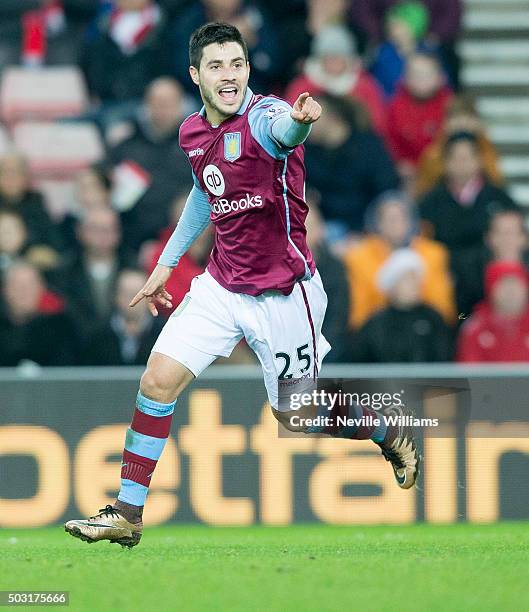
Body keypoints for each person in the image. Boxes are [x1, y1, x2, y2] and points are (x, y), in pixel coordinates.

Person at [65, 22, 419, 548]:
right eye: (216, 66)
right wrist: (167, 262)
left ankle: (385, 430)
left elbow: (286, 133)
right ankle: (127, 513)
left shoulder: (268, 117)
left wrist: (301, 122)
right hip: (222, 285)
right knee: (156, 381)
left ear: (248, 69)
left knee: (296, 414)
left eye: (237, 64)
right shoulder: (191, 133)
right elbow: (205, 193)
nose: (228, 76)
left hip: (284, 292)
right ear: (196, 75)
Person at [419, 132, 518, 313]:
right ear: (446, 162)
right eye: (456, 157)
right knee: (459, 317)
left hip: (490, 279)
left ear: (479, 160)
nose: (462, 163)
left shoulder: (499, 198)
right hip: (448, 279)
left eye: (467, 157)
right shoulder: (430, 202)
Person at [344, 191, 455, 329]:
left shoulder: (434, 254)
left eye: (402, 217)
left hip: (424, 329)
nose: (396, 224)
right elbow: (358, 316)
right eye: (389, 219)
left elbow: (443, 308)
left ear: (412, 221)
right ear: (377, 223)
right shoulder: (358, 258)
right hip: (380, 332)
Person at [108, 78, 192, 250]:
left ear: (181, 106)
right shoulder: (126, 144)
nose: (163, 109)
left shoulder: (197, 145)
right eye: (157, 102)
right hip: (129, 235)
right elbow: (104, 178)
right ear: (146, 105)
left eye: (168, 103)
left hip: (182, 238)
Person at [304, 94, 398, 240]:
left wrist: (367, 230)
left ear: (333, 118)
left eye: (312, 116)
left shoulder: (368, 147)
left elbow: (386, 189)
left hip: (367, 231)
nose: (305, 121)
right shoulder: (306, 151)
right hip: (321, 233)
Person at [285, 25, 388, 139]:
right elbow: (290, 120)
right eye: (328, 58)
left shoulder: (364, 86)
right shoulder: (303, 86)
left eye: (337, 58)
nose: (333, 63)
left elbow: (378, 124)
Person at [352, 248, 453, 362]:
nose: (414, 285)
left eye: (416, 279)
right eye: (407, 279)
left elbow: (444, 356)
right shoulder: (376, 323)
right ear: (392, 285)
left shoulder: (433, 318)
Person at [415, 95, 503, 198]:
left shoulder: (486, 149)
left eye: (467, 118)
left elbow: (495, 179)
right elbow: (425, 185)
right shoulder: (435, 151)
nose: (461, 124)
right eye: (456, 118)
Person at [386, 52, 452, 177]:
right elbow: (389, 142)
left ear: (440, 78)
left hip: (443, 174)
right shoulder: (394, 107)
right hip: (405, 175)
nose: (421, 80)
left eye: (427, 74)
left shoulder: (450, 106)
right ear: (405, 78)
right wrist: (399, 163)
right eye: (415, 74)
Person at [0, 260, 78, 366]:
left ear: (42, 289)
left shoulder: (61, 329)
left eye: (30, 285)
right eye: (17, 286)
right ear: (5, 290)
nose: (24, 292)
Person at [82, 268, 164, 365]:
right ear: (115, 296)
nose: (134, 299)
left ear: (152, 297)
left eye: (141, 294)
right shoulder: (95, 334)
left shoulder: (164, 333)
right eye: (127, 294)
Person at [457, 261, 529, 362]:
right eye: (504, 286)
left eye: (516, 285)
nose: (511, 292)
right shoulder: (475, 327)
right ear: (491, 289)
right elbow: (469, 371)